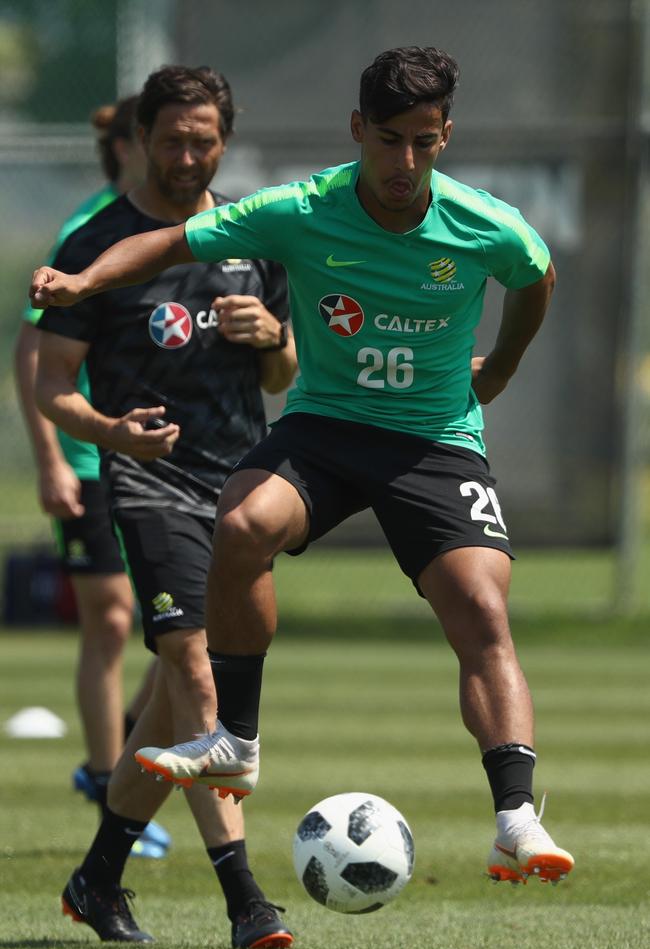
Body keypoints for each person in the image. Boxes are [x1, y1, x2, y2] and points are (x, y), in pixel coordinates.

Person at [30, 47, 575, 889]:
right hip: (325, 427)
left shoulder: (485, 226)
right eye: (389, 140)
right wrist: (80, 281)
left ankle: (515, 818)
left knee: (480, 605)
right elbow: (168, 243)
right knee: (243, 524)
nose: (405, 163)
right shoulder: (301, 209)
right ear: (358, 129)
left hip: (434, 439)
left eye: (424, 143)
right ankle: (235, 744)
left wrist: (498, 368)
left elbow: (534, 277)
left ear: (445, 137)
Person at [31, 64, 297, 948]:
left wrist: (273, 339)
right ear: (140, 138)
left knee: (168, 710)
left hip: (242, 486)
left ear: (225, 139)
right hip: (146, 483)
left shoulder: (255, 235)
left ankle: (98, 878)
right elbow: (51, 386)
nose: (188, 156)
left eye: (205, 140)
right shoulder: (98, 246)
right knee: (196, 673)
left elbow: (285, 374)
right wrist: (110, 431)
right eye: (173, 139)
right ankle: (244, 898)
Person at [14, 95, 170, 860]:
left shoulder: (194, 225)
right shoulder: (90, 228)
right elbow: (33, 353)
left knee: (183, 635)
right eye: (161, 139)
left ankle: (130, 755)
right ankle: (109, 780)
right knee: (111, 621)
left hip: (169, 457)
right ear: (130, 147)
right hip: (90, 455)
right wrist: (50, 458)